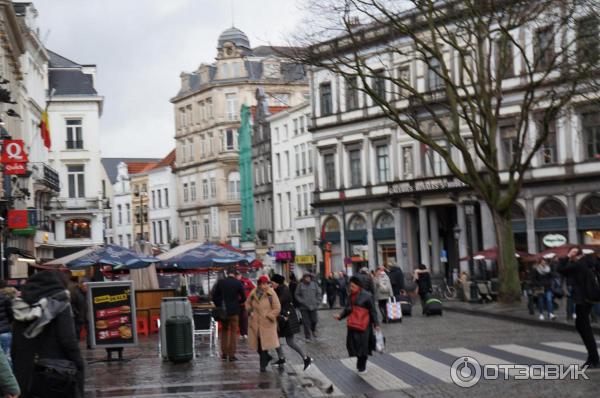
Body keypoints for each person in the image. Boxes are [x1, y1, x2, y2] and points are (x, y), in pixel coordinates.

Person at [12, 270, 84, 397]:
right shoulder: (60, 304)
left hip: (26, 373)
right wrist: (79, 364)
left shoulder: (20, 305)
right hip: (55, 373)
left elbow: (15, 344)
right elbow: (68, 340)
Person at [557, 247, 600, 368]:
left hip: (583, 299)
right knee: (581, 325)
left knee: (584, 327)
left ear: (576, 254)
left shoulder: (578, 265)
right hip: (590, 297)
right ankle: (593, 357)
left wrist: (567, 256)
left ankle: (594, 359)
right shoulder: (589, 262)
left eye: (572, 253)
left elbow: (560, 269)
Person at [333, 276, 380, 373]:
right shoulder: (351, 296)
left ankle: (361, 366)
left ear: (358, 286)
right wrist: (340, 316)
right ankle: (360, 363)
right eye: (350, 286)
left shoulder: (367, 296)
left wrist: (376, 324)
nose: (351, 288)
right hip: (353, 325)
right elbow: (348, 309)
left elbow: (373, 311)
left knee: (363, 346)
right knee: (353, 345)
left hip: (364, 326)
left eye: (353, 286)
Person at [270, 274, 312, 371]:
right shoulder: (279, 289)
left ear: (277, 282)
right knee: (275, 338)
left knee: (290, 342)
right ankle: (281, 358)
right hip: (283, 318)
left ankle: (306, 358)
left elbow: (277, 302)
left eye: (272, 283)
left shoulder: (284, 290)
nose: (272, 285)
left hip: (288, 319)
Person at [246, 275, 281, 372]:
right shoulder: (254, 292)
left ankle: (262, 365)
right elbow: (247, 303)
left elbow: (277, 308)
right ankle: (267, 358)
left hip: (267, 323)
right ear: (259, 284)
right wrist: (250, 311)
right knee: (258, 345)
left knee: (263, 345)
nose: (265, 286)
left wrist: (269, 316)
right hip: (255, 323)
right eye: (262, 284)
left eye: (266, 284)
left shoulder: (271, 293)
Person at [212, 268, 246, 361]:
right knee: (234, 332)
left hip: (224, 312)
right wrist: (237, 302)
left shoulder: (221, 282)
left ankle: (224, 353)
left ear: (227, 273)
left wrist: (219, 305)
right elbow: (244, 297)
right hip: (234, 311)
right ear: (234, 274)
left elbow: (214, 296)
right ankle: (232, 355)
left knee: (224, 331)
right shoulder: (238, 283)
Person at [294, 273, 321, 342]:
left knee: (314, 320)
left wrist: (318, 301)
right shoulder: (300, 285)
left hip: (313, 306)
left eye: (308, 277)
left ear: (310, 278)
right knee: (306, 323)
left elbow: (319, 293)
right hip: (304, 307)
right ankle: (307, 337)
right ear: (303, 278)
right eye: (306, 277)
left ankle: (313, 329)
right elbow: (296, 294)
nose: (307, 279)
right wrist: (301, 301)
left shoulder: (314, 284)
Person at [67, 276, 87, 341]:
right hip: (79, 315)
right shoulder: (76, 293)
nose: (85, 288)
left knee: (90, 329)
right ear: (80, 286)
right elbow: (72, 304)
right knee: (77, 330)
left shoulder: (89, 293)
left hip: (87, 315)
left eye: (86, 286)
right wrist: (76, 312)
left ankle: (90, 344)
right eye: (84, 286)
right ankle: (76, 341)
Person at [236, 272, 255, 339]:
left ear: (241, 275)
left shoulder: (247, 281)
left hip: (245, 303)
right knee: (239, 319)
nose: (238, 276)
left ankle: (245, 333)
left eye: (238, 275)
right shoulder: (235, 282)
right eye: (237, 275)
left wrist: (250, 297)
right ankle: (241, 333)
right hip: (238, 303)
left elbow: (254, 289)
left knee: (244, 318)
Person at [0, 281, 13, 366]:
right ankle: (10, 378)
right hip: (5, 332)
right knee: (7, 357)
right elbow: (11, 315)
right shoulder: (5, 298)